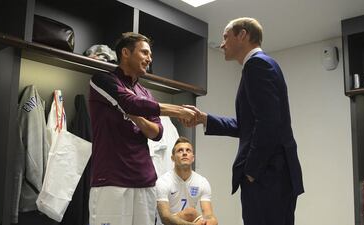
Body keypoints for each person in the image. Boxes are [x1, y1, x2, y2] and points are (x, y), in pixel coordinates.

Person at [182, 18, 304, 225]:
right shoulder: (263, 64)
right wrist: (205, 119)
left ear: (243, 35)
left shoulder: (257, 65)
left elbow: (268, 123)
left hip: (267, 176)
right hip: (273, 175)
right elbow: (249, 125)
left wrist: (251, 172)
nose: (222, 44)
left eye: (225, 37)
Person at [88, 32, 196, 225]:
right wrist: (179, 111)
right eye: (145, 53)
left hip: (144, 180)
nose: (149, 59)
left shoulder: (146, 93)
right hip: (112, 179)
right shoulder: (102, 81)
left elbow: (157, 132)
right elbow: (129, 102)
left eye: (150, 55)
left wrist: (135, 115)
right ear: (125, 53)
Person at [155, 137, 217, 225]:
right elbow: (165, 218)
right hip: (168, 223)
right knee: (190, 213)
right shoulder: (163, 181)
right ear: (172, 158)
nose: (184, 153)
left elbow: (209, 217)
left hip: (192, 221)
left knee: (204, 218)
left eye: (188, 150)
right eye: (180, 150)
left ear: (193, 158)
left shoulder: (202, 182)